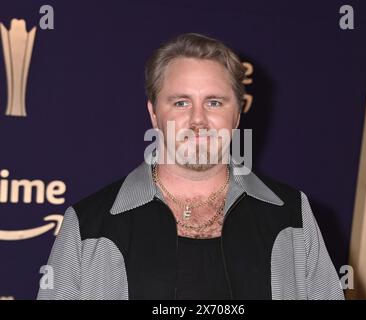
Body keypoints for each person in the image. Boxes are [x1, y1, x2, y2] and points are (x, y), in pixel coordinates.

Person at [37, 33, 344, 300]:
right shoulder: (89, 224)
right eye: (181, 102)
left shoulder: (292, 215)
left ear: (237, 115)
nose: (198, 120)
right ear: (154, 114)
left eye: (214, 102)